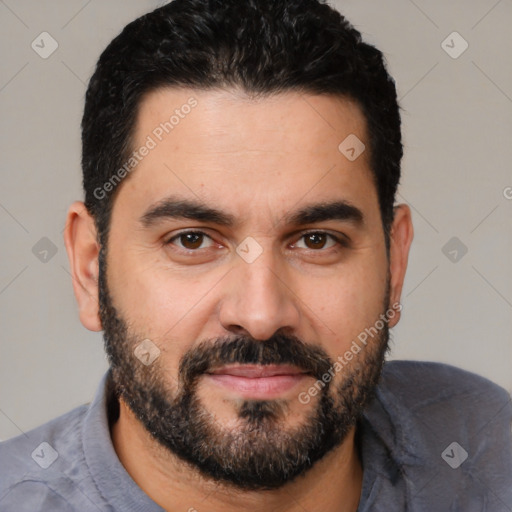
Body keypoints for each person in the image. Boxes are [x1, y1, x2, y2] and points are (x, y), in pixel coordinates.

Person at [1, 0, 511, 510]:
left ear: (394, 266)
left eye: (316, 240)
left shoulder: (486, 446)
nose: (261, 315)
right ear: (91, 268)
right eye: (192, 240)